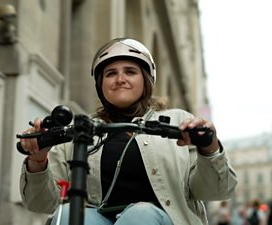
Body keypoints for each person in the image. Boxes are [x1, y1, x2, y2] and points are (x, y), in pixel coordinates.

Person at [19, 38, 238, 225]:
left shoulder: (179, 121)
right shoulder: (80, 130)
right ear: (100, 84)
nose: (120, 79)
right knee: (66, 215)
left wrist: (209, 148)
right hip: (99, 218)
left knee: (140, 214)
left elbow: (216, 191)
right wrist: (38, 160)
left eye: (130, 72)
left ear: (146, 80)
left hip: (155, 220)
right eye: (110, 73)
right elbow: (41, 204)